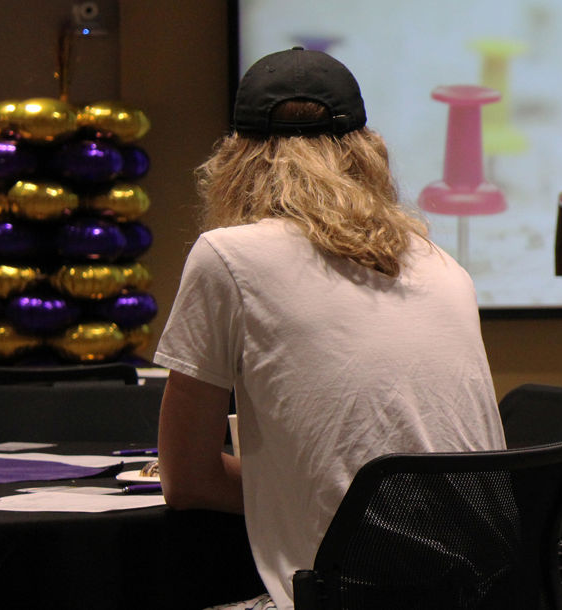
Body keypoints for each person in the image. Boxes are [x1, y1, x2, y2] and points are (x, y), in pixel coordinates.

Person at [154, 48, 505, 610]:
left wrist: (304, 488)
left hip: (345, 596)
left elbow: (186, 480)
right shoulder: (442, 263)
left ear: (236, 160)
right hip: (484, 591)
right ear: (369, 153)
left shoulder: (226, 257)